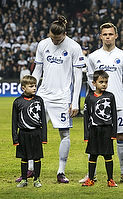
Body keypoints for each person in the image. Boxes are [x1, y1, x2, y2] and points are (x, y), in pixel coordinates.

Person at [32, 15, 85, 183]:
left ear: (65, 34)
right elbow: (37, 71)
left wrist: (75, 101)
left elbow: (78, 77)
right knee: (34, 133)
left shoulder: (74, 47)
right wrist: (31, 92)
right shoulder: (42, 44)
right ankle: (31, 168)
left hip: (62, 97)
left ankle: (61, 171)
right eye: (52, 38)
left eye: (58, 39)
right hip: (43, 96)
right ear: (49, 33)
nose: (54, 41)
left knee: (65, 134)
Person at [86, 22, 123, 183]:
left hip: (118, 105)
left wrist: (121, 92)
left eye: (110, 34)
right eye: (105, 34)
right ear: (101, 36)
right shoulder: (93, 57)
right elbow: (89, 78)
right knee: (94, 137)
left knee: (121, 136)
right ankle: (90, 174)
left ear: (116, 35)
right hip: (98, 106)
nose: (108, 37)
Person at [81, 70, 118, 187]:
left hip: (107, 130)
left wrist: (114, 133)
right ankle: (90, 179)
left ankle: (110, 179)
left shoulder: (110, 96)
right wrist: (86, 135)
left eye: (106, 82)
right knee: (93, 155)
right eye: (101, 82)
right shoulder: (90, 97)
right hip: (94, 130)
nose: (104, 84)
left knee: (108, 155)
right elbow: (86, 117)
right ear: (94, 83)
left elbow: (114, 115)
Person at [12, 75, 47, 188]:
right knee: (24, 157)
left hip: (36, 133)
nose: (34, 88)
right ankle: (24, 179)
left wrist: (44, 136)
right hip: (23, 134)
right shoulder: (17, 102)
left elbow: (43, 120)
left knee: (37, 157)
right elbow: (14, 122)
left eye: (35, 86)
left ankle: (37, 179)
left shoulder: (39, 100)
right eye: (31, 86)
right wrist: (15, 138)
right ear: (23, 88)